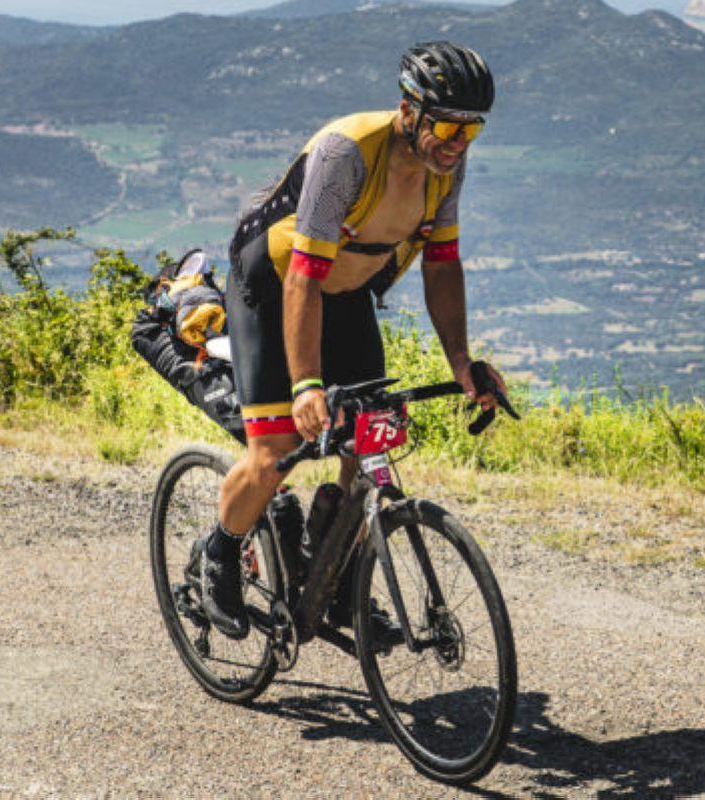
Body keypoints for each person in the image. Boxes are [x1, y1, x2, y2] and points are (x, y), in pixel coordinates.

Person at [199, 41, 508, 639]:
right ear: (409, 110)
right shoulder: (348, 153)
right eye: (447, 126)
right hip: (274, 285)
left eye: (471, 130)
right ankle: (220, 553)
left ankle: (335, 578)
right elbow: (303, 277)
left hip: (346, 293)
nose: (457, 143)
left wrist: (462, 363)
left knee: (371, 443)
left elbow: (442, 264)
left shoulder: (446, 165)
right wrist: (306, 385)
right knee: (275, 451)